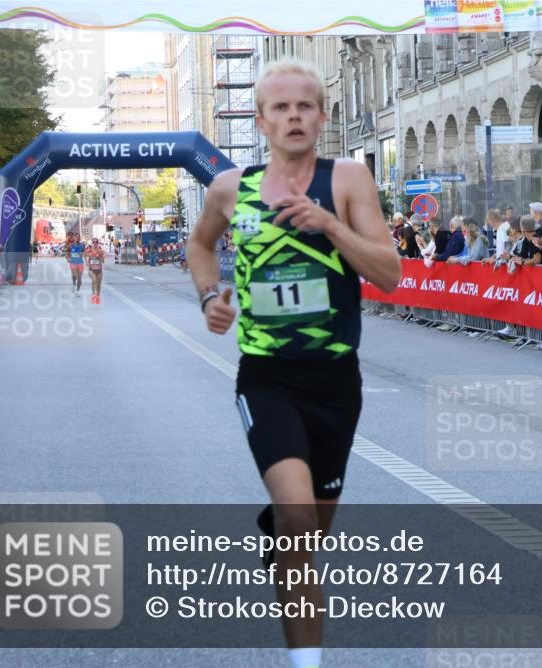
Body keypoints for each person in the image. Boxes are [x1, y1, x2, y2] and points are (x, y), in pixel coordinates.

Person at [185, 58, 400, 668]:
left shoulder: (349, 179)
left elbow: (388, 275)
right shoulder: (230, 188)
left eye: (305, 105)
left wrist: (329, 224)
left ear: (323, 116)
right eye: (280, 107)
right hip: (267, 378)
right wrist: (208, 296)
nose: (293, 116)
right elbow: (200, 245)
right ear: (261, 120)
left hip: (336, 384)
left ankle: (284, 544)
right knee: (299, 519)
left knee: (307, 537)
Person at [85, 237, 105, 304]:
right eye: (94, 242)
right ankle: (93, 295)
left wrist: (101, 257)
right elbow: (84, 254)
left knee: (98, 284)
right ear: (92, 243)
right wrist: (86, 262)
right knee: (94, 280)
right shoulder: (89, 250)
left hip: (99, 270)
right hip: (91, 270)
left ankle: (98, 297)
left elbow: (103, 261)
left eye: (96, 242)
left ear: (98, 243)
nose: (95, 243)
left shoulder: (100, 251)